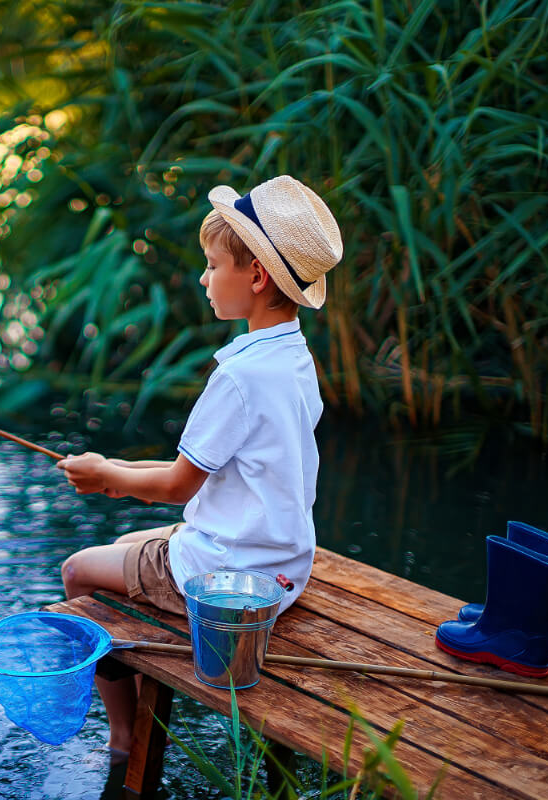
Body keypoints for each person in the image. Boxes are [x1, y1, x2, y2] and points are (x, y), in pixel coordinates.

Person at [56, 175, 342, 756]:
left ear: (256, 277)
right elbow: (209, 468)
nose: (204, 278)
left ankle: (123, 736)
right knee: (135, 541)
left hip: (230, 577)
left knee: (78, 572)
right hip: (286, 561)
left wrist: (105, 477)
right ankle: (132, 709)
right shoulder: (294, 357)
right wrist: (114, 469)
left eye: (213, 266)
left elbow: (179, 485)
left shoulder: (237, 376)